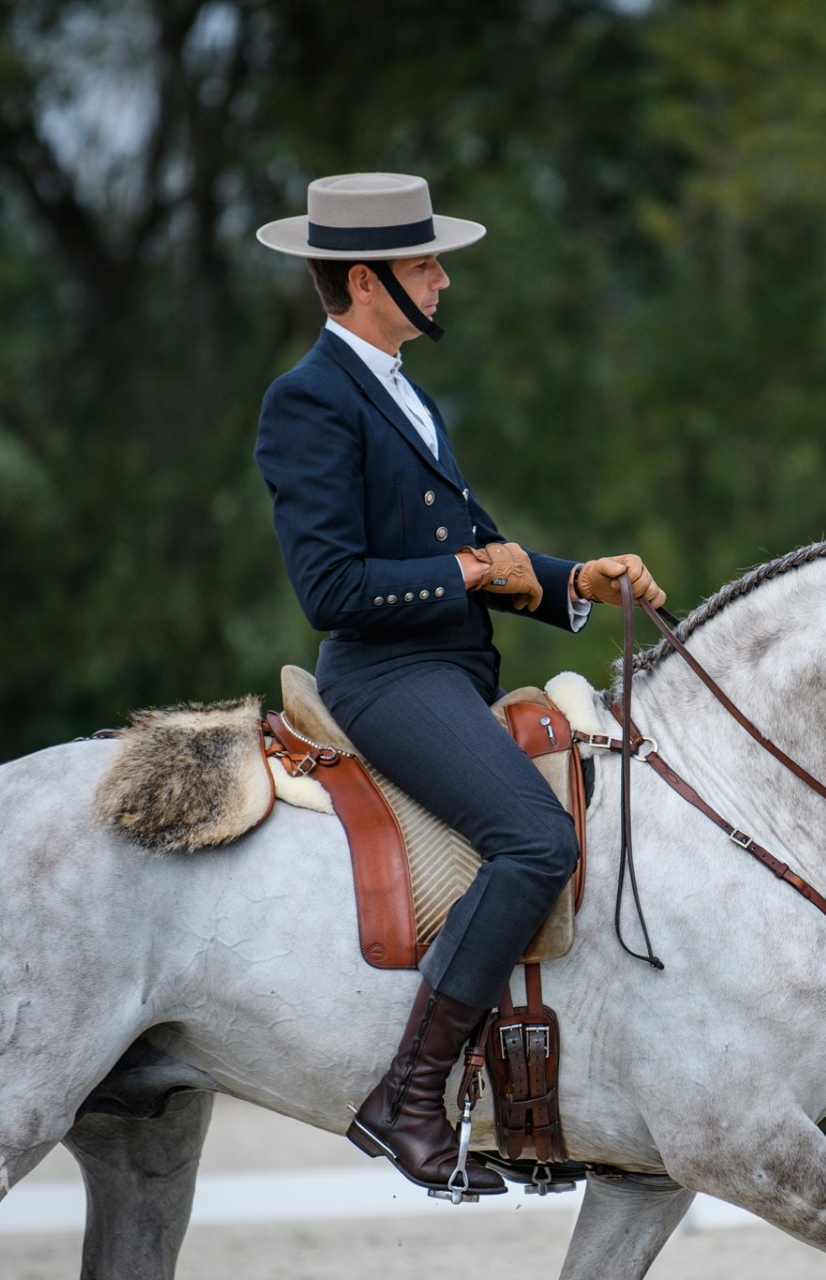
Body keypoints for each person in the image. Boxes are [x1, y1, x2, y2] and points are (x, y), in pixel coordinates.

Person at [252, 173, 665, 1198]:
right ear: (364, 277)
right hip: (384, 674)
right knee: (536, 839)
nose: (444, 279)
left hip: (447, 663)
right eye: (428, 262)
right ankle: (409, 1095)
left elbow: (480, 550)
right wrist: (475, 574)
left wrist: (579, 581)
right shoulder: (308, 399)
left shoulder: (407, 392)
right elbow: (331, 584)